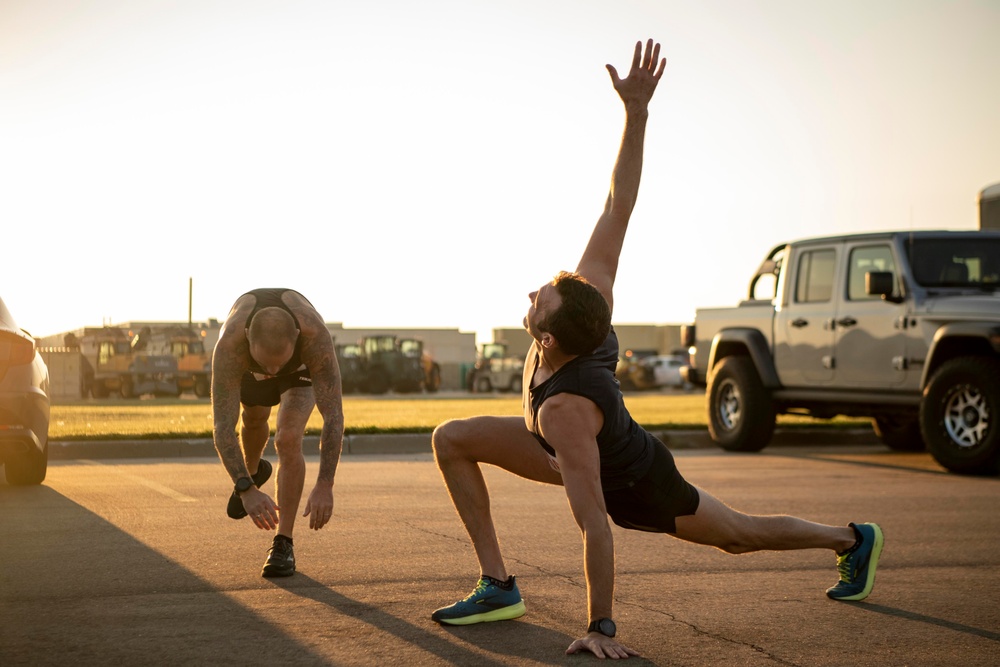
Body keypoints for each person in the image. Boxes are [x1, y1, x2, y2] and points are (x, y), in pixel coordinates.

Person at [430, 40, 883, 660]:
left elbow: (593, 523)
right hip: (560, 450)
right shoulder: (589, 297)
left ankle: (849, 538)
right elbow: (620, 201)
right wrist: (635, 112)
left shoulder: (569, 409)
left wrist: (600, 626)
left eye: (540, 302)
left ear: (547, 338)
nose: (533, 292)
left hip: (637, 480)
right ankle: (498, 586)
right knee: (451, 437)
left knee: (738, 535)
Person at [212, 288, 345, 577]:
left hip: (298, 372)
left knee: (287, 438)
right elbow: (223, 427)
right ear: (248, 338)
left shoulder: (315, 337)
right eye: (266, 364)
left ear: (296, 336)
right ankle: (251, 472)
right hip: (249, 371)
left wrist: (325, 483)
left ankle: (283, 543)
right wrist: (245, 489)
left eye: (278, 363)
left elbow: (333, 416)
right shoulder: (230, 344)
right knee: (254, 420)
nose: (273, 370)